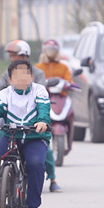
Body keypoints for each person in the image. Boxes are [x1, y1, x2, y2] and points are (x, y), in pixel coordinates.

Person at [0, 60, 51, 208]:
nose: (22, 78)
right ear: (10, 79)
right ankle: (1, 186)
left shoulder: (39, 91)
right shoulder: (5, 94)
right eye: (17, 75)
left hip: (34, 137)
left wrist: (42, 122)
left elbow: (44, 109)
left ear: (31, 76)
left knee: (36, 164)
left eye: (25, 74)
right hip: (11, 136)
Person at [0, 40, 46, 194]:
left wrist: (42, 121)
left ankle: (53, 179)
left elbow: (43, 102)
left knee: (41, 158)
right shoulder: (6, 84)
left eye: (16, 55)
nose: (14, 59)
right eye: (12, 56)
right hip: (10, 127)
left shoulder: (39, 77)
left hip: (32, 129)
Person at [35, 39, 72, 193]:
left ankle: (52, 178)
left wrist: (66, 84)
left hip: (58, 98)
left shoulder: (63, 67)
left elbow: (69, 81)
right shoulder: (37, 68)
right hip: (40, 103)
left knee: (43, 144)